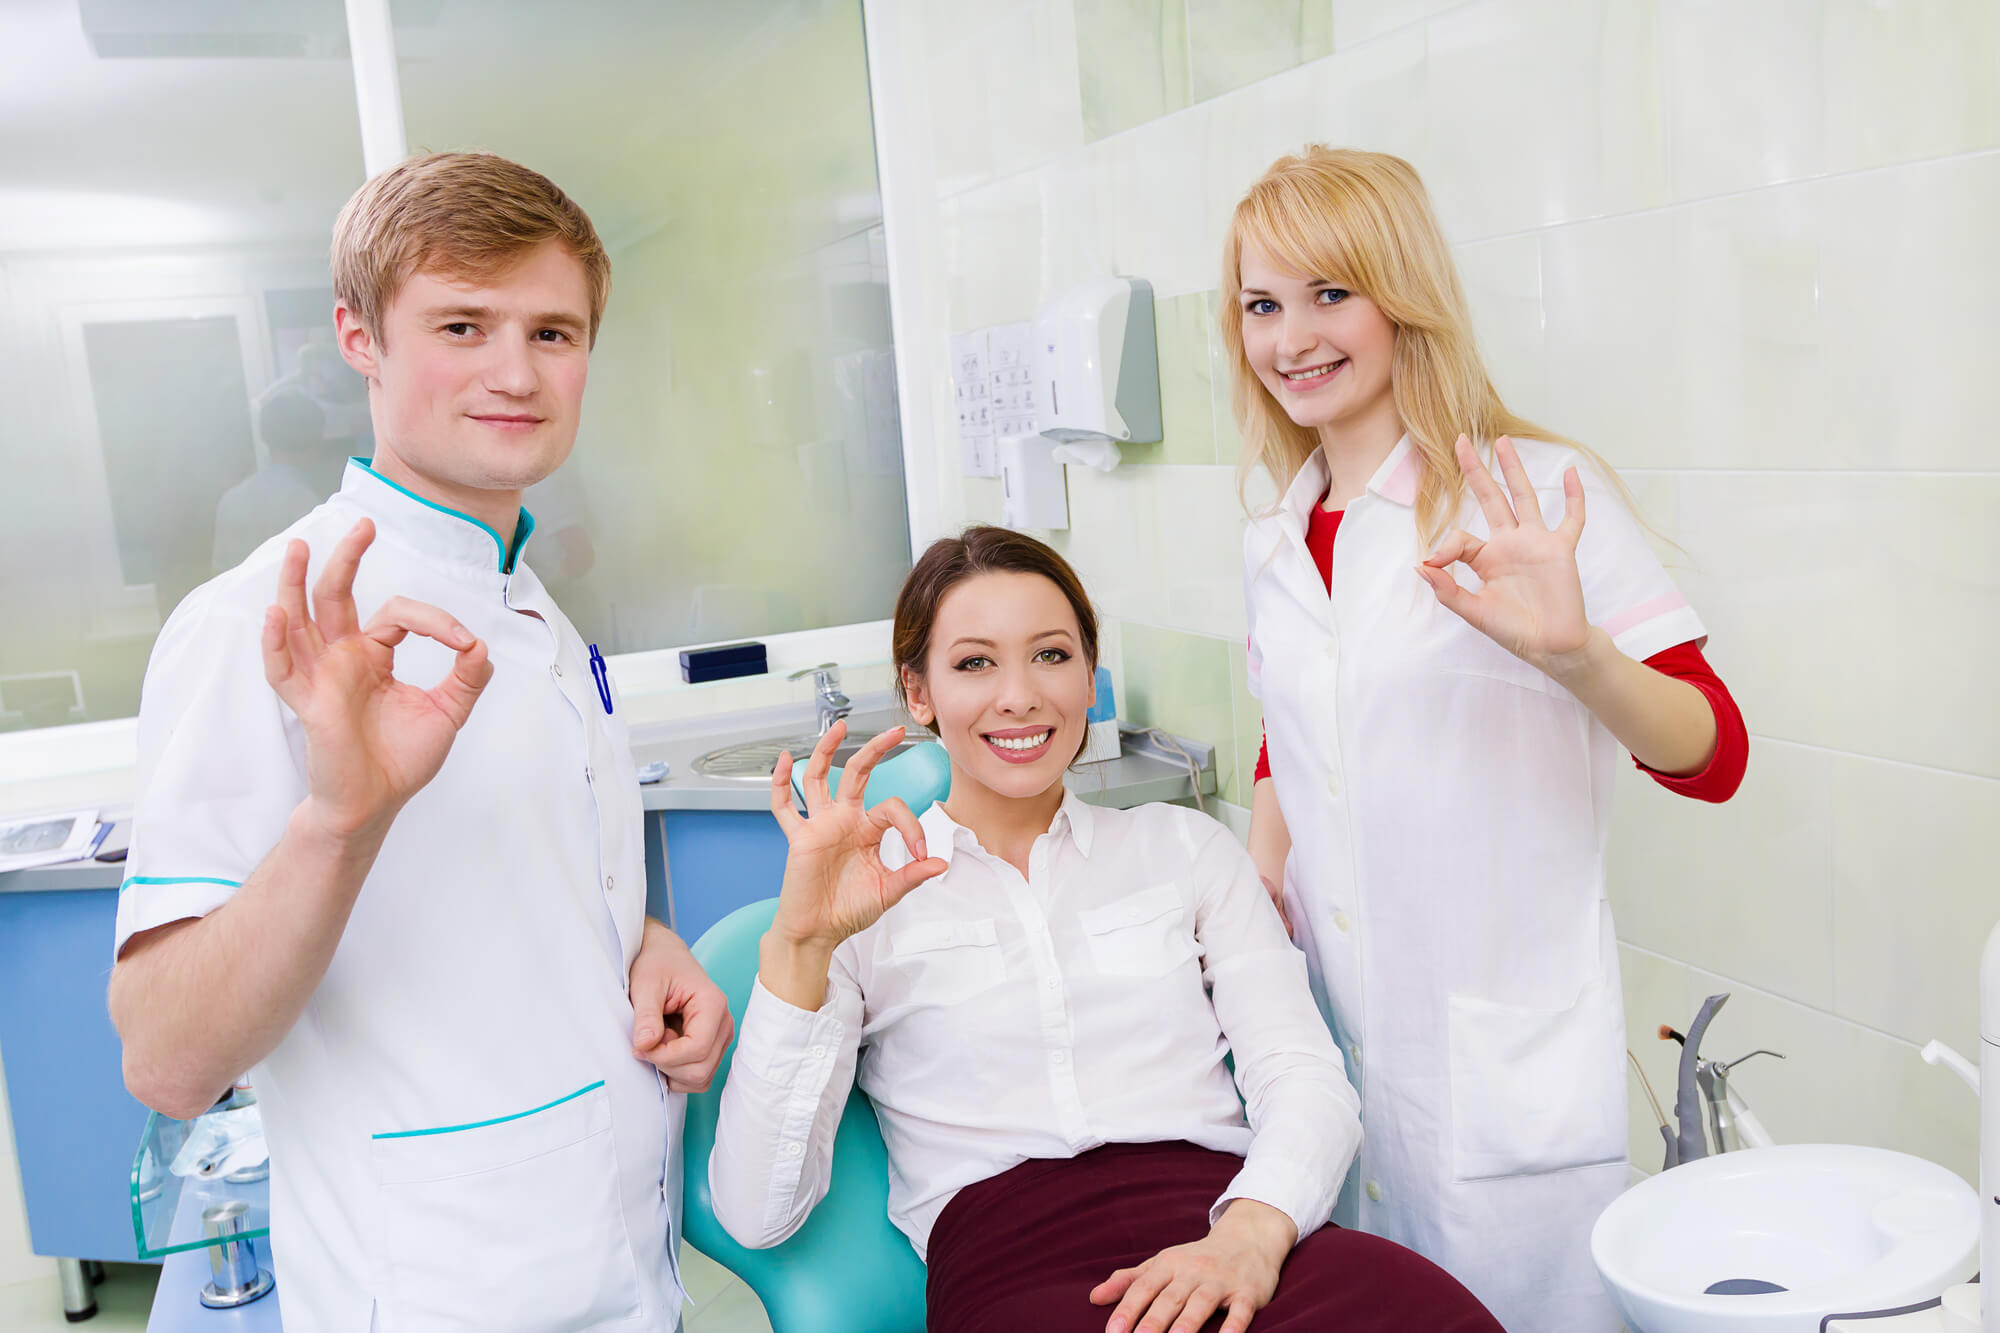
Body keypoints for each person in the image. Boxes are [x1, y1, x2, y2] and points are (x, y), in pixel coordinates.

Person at [108, 152, 732, 1331]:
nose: (516, 371)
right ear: (360, 340)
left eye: (554, 332)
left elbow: (497, 873)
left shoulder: (531, 609)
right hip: (450, 1287)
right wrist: (343, 820)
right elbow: (169, 1059)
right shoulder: (262, 624)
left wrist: (639, 942)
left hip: (617, 1271)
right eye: (462, 324)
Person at [709, 526, 1502, 1333]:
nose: (1019, 694)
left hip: (1233, 1232)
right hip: (1019, 1277)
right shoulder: (864, 901)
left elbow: (1304, 1076)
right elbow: (755, 1213)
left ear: (1090, 673)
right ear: (919, 693)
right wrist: (802, 942)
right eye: (975, 662)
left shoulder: (1187, 850)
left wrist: (1251, 1234)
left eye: (1051, 654)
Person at [1225, 146, 1749, 1332]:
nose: (1291, 336)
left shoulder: (1530, 495)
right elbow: (1287, 731)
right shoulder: (1271, 535)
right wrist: (1258, 886)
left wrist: (1577, 656)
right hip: (1325, 1048)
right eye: (1261, 304)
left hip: (1499, 1068)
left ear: (1400, 295)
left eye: (1329, 293)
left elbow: (1713, 753)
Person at [210, 390, 333, 572]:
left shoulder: (230, 500)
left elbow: (218, 574)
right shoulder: (307, 504)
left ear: (265, 436)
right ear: (317, 440)